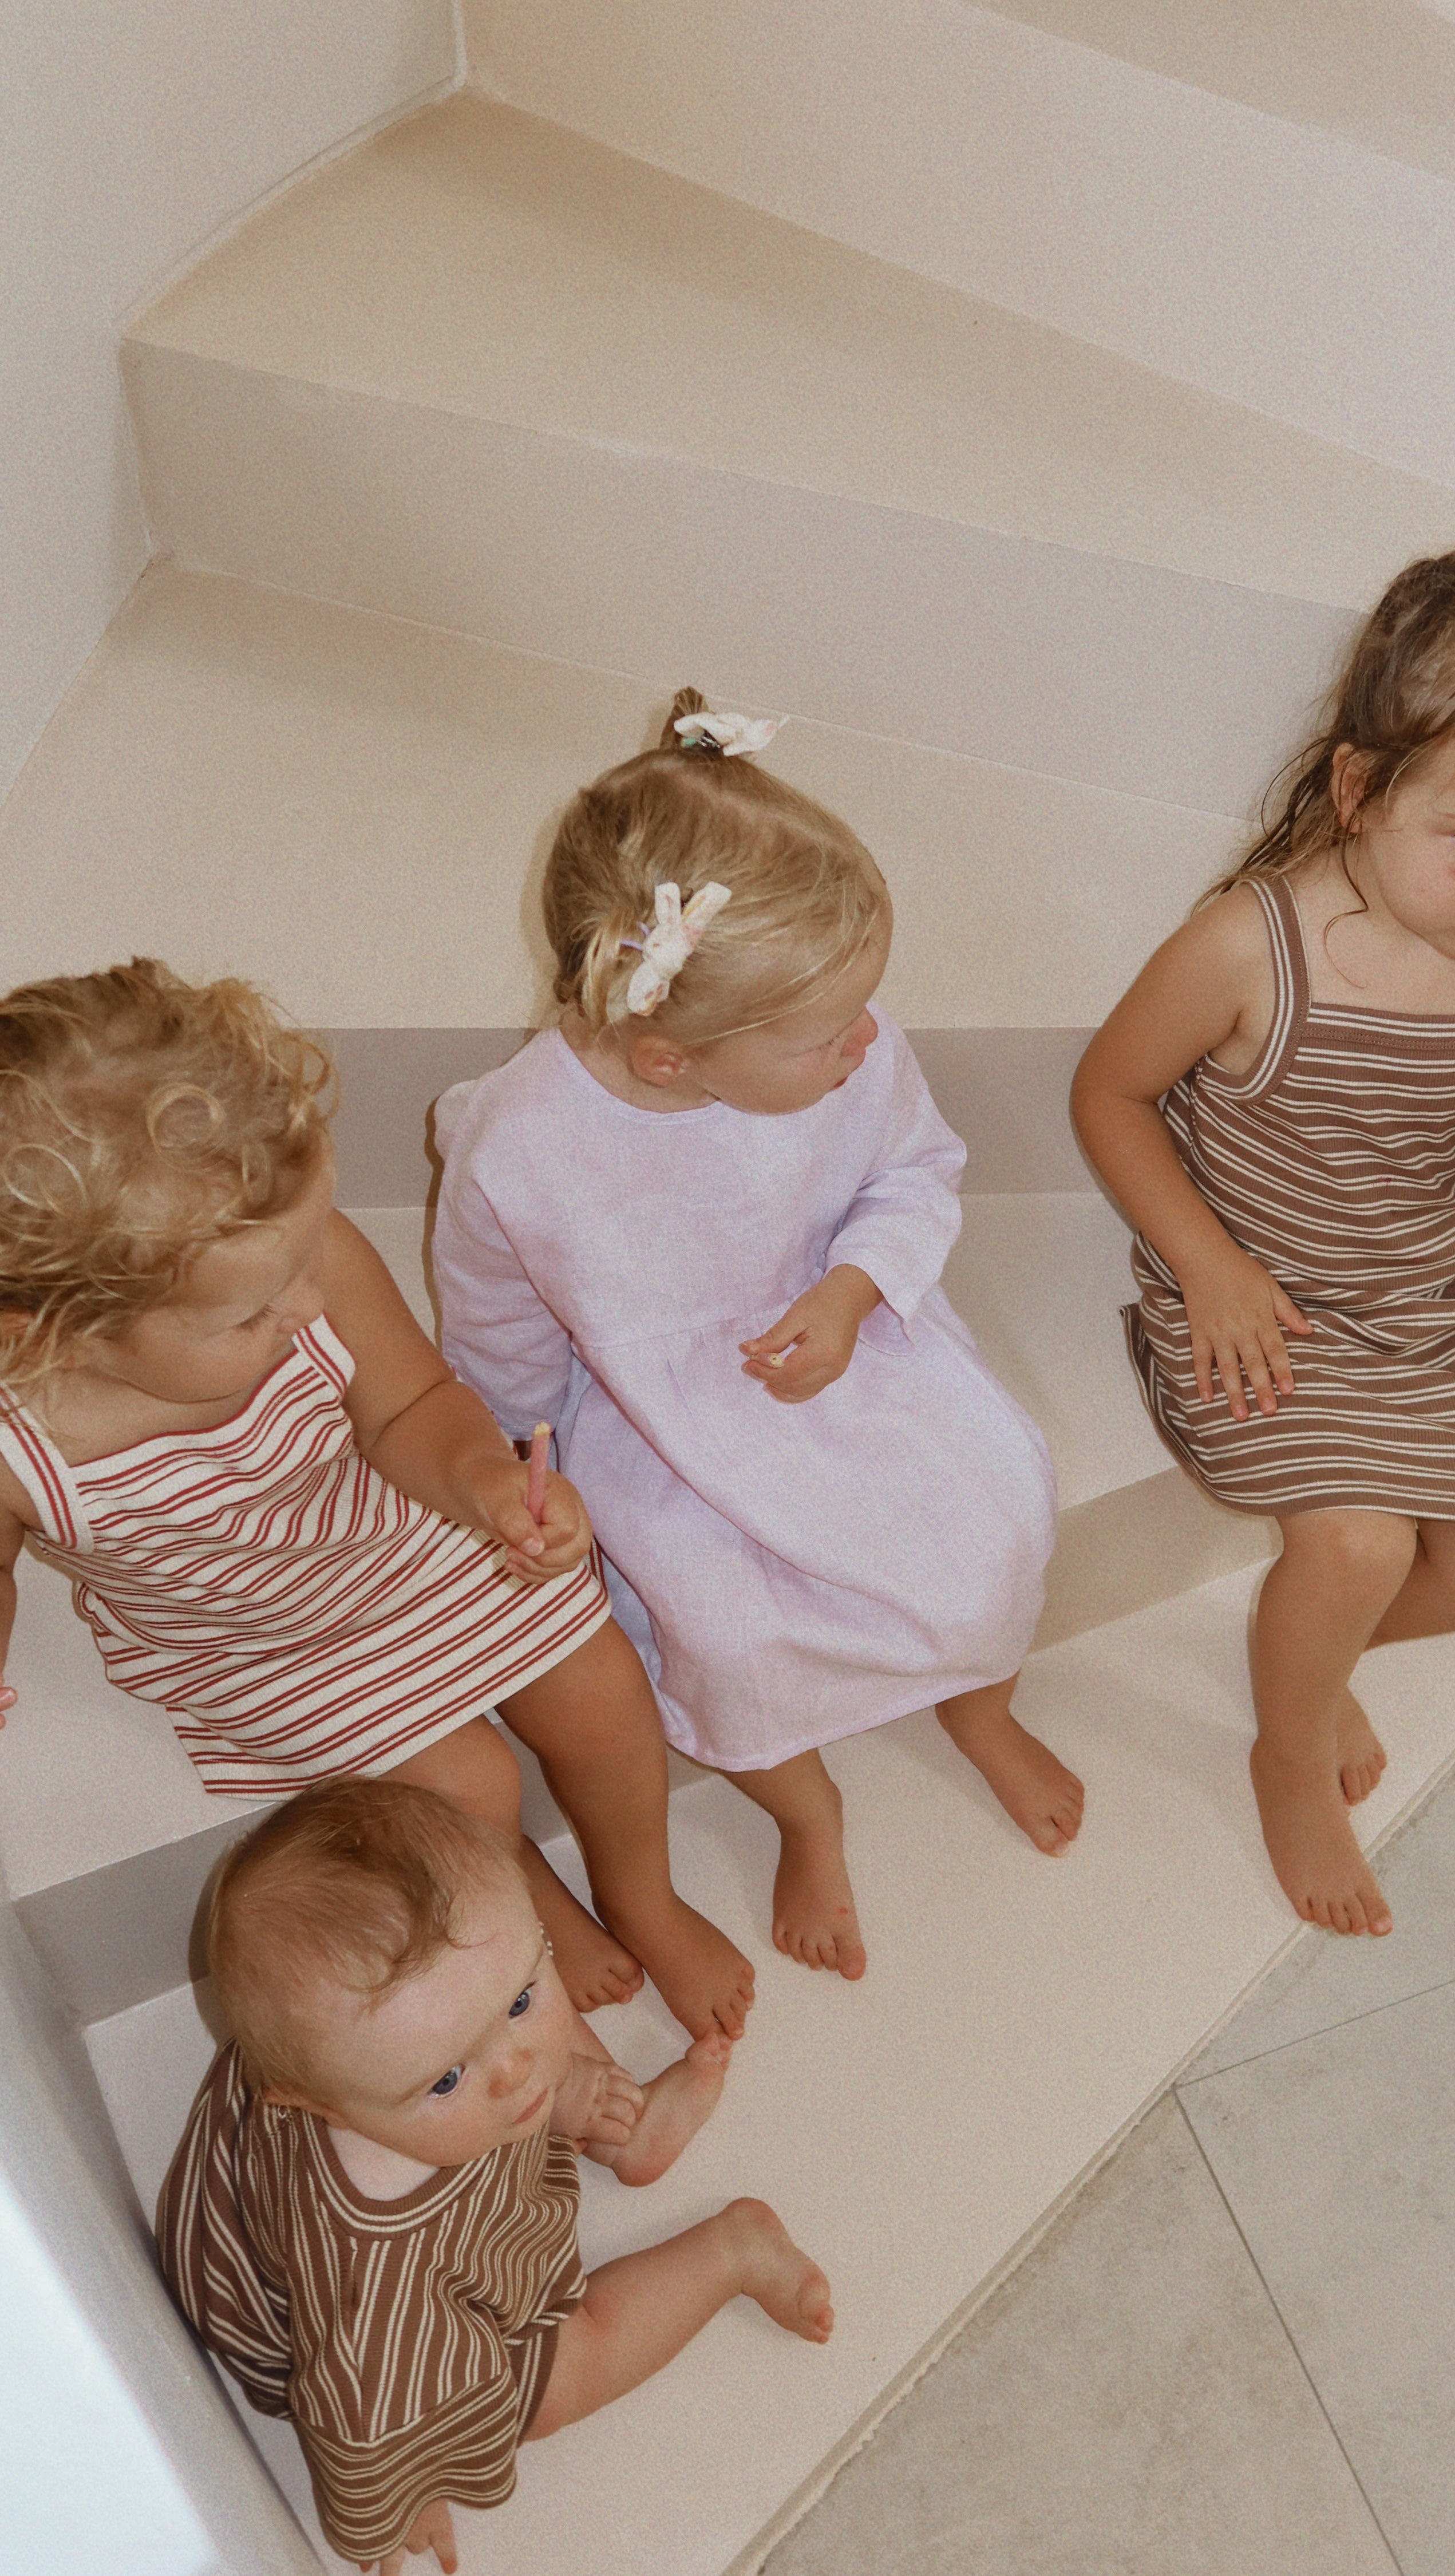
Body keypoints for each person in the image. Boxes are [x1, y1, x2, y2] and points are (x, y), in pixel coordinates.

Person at [433, 692, 1078, 1984]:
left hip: (847, 1327)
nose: (862, 1045)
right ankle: (803, 1805)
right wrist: (528, 1461)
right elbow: (496, 1333)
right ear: (669, 1059)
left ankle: (980, 1704)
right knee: (720, 1628)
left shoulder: (853, 1053)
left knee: (1002, 1513)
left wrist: (853, 1291)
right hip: (656, 1412)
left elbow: (916, 1173)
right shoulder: (522, 1154)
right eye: (822, 1035)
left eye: (862, 1014)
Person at [1071, 535, 1455, 1938]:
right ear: (1359, 789)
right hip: (1253, 1306)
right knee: (1357, 1543)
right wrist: (1209, 1266)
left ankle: (1314, 1669)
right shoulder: (1247, 945)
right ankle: (1286, 1752)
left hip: (1427, 1305)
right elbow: (1112, 1094)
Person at [0, 963, 753, 2037]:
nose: (309, 1302)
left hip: (394, 1526)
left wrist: (486, 1481)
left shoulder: (297, 1259)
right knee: (464, 1791)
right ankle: (522, 1907)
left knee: (602, 1692)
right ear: (62, 1332)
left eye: (310, 1253)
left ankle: (641, 1891)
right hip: (254, 1636)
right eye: (258, 1311)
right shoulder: (18, 1446)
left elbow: (409, 1409)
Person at [157, 1780, 831, 2576]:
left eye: (521, 1997)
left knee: (501, 2069)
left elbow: (483, 2058)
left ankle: (583, 2112)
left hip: (372, 2163)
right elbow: (360, 2428)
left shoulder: (377, 2056)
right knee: (552, 2386)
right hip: (329, 2313)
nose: (520, 2073)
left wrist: (543, 2087)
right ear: (317, 2104)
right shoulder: (374, 2290)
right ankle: (730, 2253)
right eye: (445, 2078)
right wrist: (399, 2499)